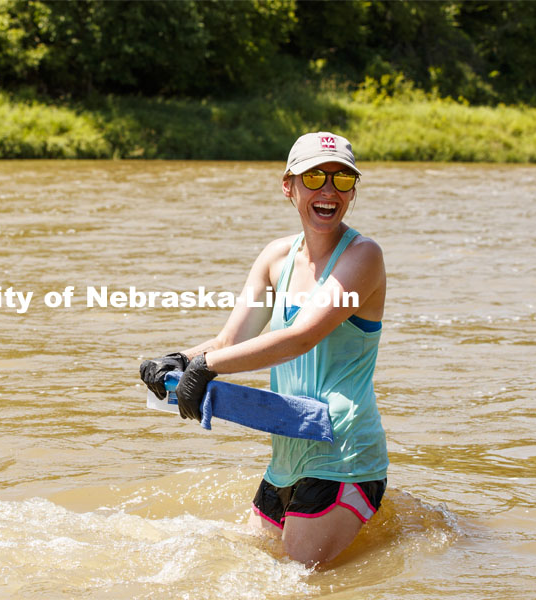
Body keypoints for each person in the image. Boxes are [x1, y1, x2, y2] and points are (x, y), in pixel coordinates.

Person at [140, 132, 389, 568]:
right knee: (244, 566)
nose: (328, 190)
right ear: (288, 185)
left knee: (295, 584)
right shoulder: (276, 258)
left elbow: (301, 337)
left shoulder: (363, 256)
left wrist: (207, 367)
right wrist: (179, 360)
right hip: (288, 454)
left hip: (343, 454)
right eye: (314, 176)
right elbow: (229, 340)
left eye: (342, 179)